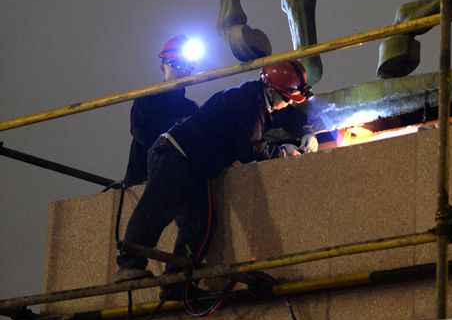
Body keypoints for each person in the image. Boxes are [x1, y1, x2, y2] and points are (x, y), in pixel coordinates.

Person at [114, 60, 317, 296]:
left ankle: (176, 283)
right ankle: (129, 266)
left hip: (194, 165)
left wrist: (307, 132)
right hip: (174, 153)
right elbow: (250, 147)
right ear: (271, 90)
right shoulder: (247, 101)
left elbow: (290, 117)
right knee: (157, 208)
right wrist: (281, 152)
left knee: (199, 224)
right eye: (287, 98)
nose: (288, 103)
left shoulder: (262, 103)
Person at [123, 35, 199, 186]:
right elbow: (143, 133)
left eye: (188, 65)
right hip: (144, 180)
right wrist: (182, 128)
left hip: (182, 180)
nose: (183, 69)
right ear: (163, 68)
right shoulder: (147, 98)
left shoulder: (191, 108)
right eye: (176, 64)